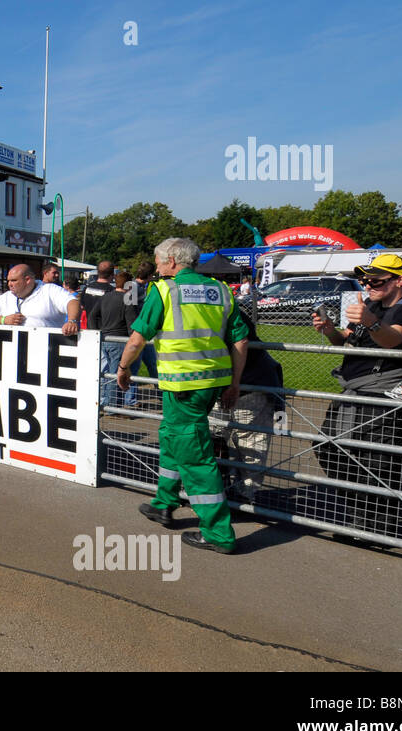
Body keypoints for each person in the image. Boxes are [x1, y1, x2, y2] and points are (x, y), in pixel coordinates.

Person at [118, 237, 249, 555]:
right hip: (213, 382)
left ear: (173, 261)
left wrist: (123, 367)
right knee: (172, 438)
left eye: (159, 261)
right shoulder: (220, 290)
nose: (158, 267)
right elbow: (240, 340)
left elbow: (137, 339)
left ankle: (218, 532)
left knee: (196, 457)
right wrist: (234, 383)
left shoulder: (164, 290)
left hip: (183, 386)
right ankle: (164, 503)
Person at [310, 254, 402, 531]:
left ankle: (376, 527)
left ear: (400, 280)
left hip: (388, 396)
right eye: (364, 280)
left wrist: (371, 321)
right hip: (356, 391)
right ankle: (363, 513)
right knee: (327, 447)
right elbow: (347, 340)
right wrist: (331, 330)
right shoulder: (370, 304)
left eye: (376, 280)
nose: (367, 286)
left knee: (379, 463)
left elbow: (393, 339)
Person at [209, 311, 283, 503]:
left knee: (250, 442)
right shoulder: (205, 309)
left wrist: (234, 384)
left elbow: (241, 342)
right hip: (218, 387)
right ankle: (217, 490)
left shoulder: (226, 310)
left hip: (250, 385)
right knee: (213, 437)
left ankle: (244, 495)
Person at [0, 263, 82, 332]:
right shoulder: (7, 296)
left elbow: (72, 302)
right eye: (8, 281)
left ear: (27, 280)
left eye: (14, 280)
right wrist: (3, 320)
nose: (9, 284)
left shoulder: (49, 290)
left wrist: (71, 321)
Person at [90, 270, 132, 410]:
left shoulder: (106, 297)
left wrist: (96, 331)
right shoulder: (128, 298)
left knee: (108, 373)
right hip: (120, 339)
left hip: (106, 338)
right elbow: (131, 322)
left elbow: (92, 316)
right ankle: (113, 407)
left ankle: (108, 403)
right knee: (116, 374)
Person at [79, 261, 115, 329]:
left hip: (89, 328)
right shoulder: (112, 291)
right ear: (112, 274)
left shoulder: (87, 288)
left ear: (98, 272)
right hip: (105, 330)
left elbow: (82, 307)